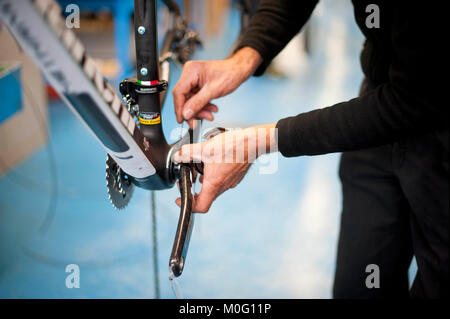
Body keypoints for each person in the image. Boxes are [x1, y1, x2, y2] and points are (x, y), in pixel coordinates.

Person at [171, 0, 448, 298]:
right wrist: (243, 58)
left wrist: (260, 141)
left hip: (434, 122)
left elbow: (414, 97)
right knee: (361, 284)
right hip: (379, 108)